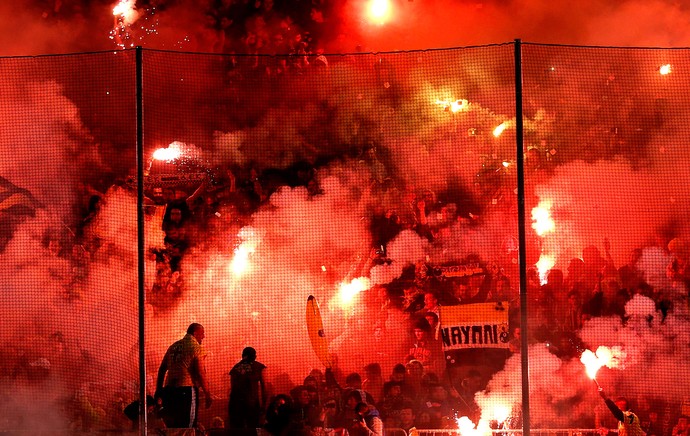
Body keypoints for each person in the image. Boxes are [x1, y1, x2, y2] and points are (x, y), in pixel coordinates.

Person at [155, 323, 213, 429]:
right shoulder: (196, 347)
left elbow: (162, 369)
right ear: (195, 333)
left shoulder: (173, 346)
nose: (204, 336)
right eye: (202, 333)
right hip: (186, 391)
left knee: (172, 426)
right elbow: (201, 373)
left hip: (169, 391)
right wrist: (207, 393)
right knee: (187, 427)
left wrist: (159, 390)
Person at [228, 346, 267, 431]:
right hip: (252, 405)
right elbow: (265, 387)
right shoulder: (259, 367)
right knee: (254, 430)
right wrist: (264, 405)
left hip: (236, 406)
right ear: (254, 356)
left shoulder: (235, 369)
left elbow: (232, 388)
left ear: (243, 355)